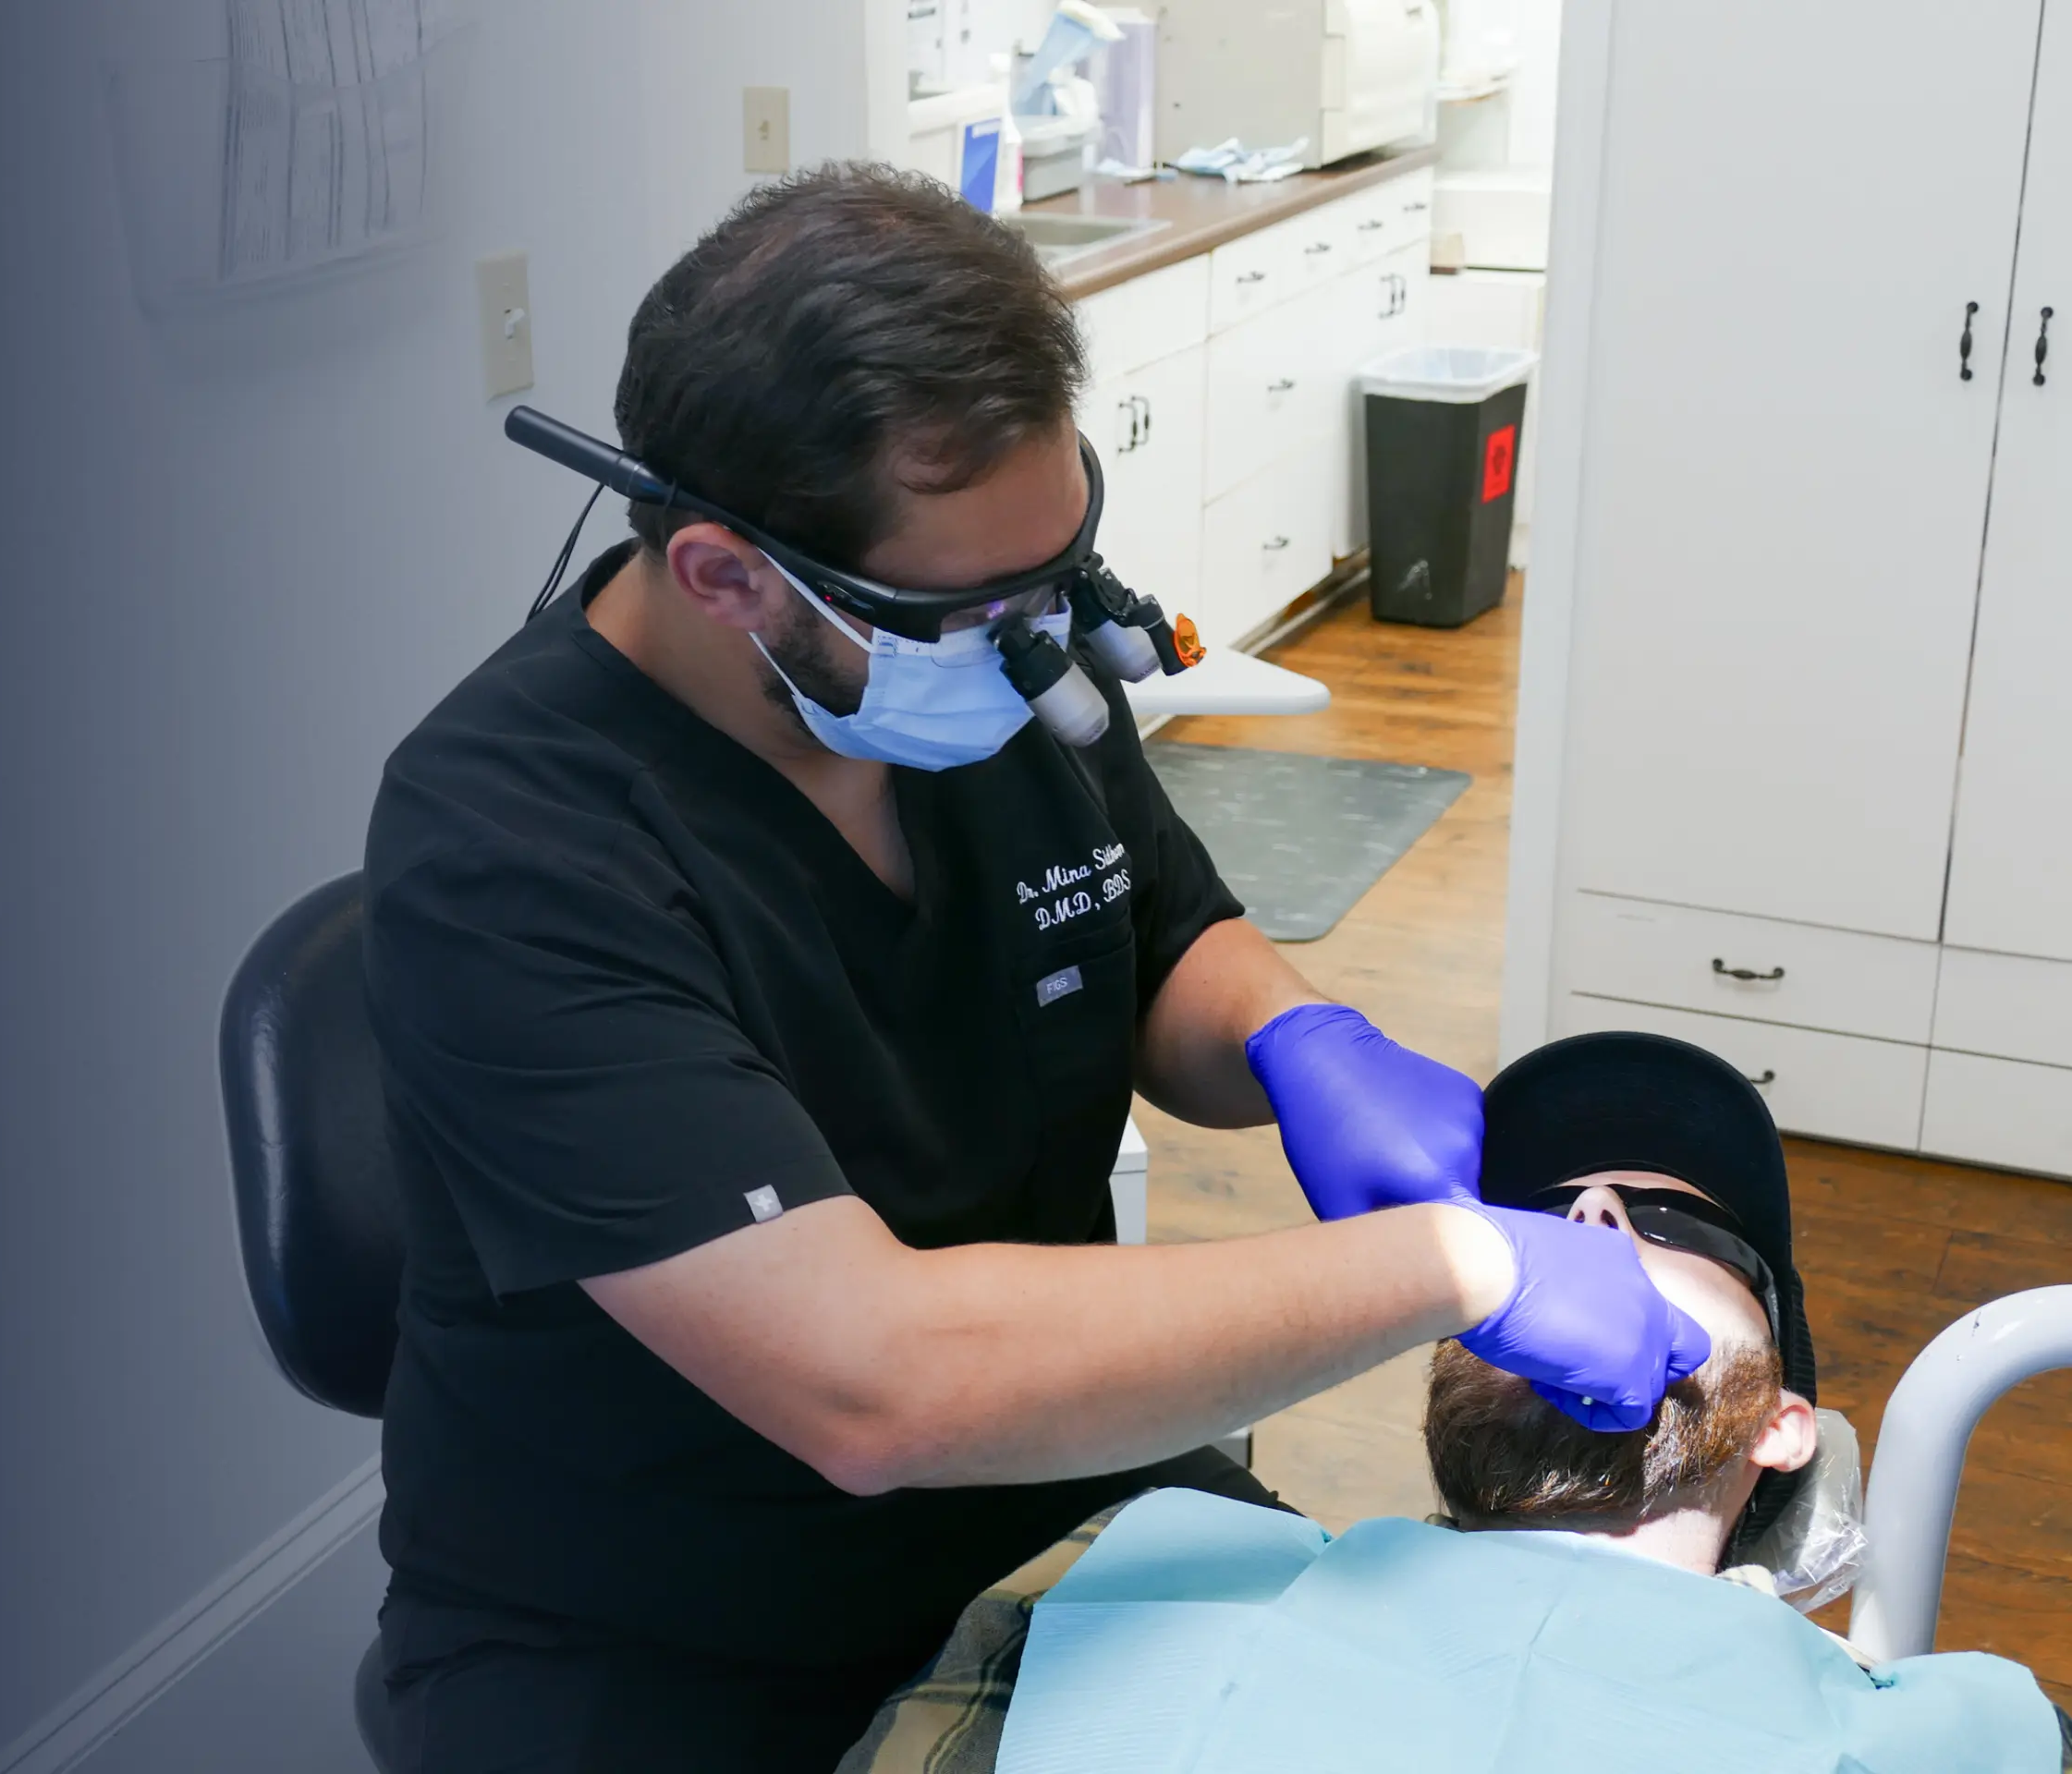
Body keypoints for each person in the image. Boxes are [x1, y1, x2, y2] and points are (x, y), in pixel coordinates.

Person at [356, 163, 1705, 1773]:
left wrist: (1292, 1035)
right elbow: (874, 1390)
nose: (1050, 642)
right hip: (672, 1634)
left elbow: (1160, 942)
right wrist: (1457, 1269)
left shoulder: (971, 674)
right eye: (990, 604)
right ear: (728, 575)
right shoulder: (510, 845)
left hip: (1071, 1503)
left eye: (1064, 568)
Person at [994, 1031, 2064, 1774]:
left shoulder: (1961, 1737)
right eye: (1530, 1229)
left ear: (1787, 1426)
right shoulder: (1140, 1585)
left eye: (1672, 1225)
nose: (1590, 1216)